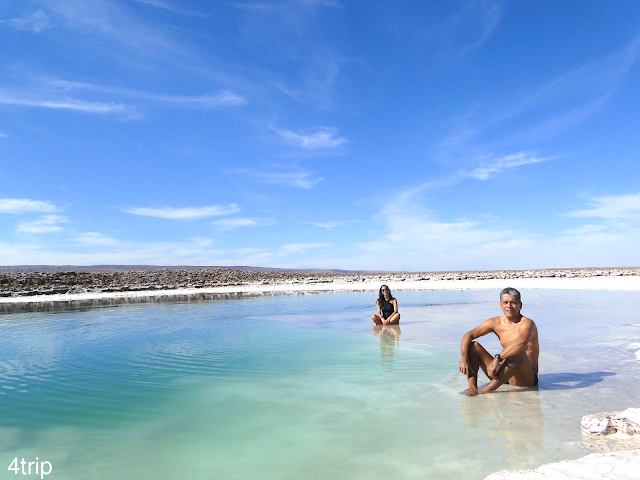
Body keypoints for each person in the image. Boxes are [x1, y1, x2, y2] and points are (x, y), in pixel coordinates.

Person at [459, 288, 539, 396]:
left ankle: (486, 390)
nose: (509, 306)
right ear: (500, 305)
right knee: (472, 346)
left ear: (520, 305)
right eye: (505, 302)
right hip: (503, 374)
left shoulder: (528, 324)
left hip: (524, 379)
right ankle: (473, 388)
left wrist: (497, 358)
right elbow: (468, 335)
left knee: (518, 351)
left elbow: (521, 342)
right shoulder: (496, 322)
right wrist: (463, 356)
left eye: (513, 302)